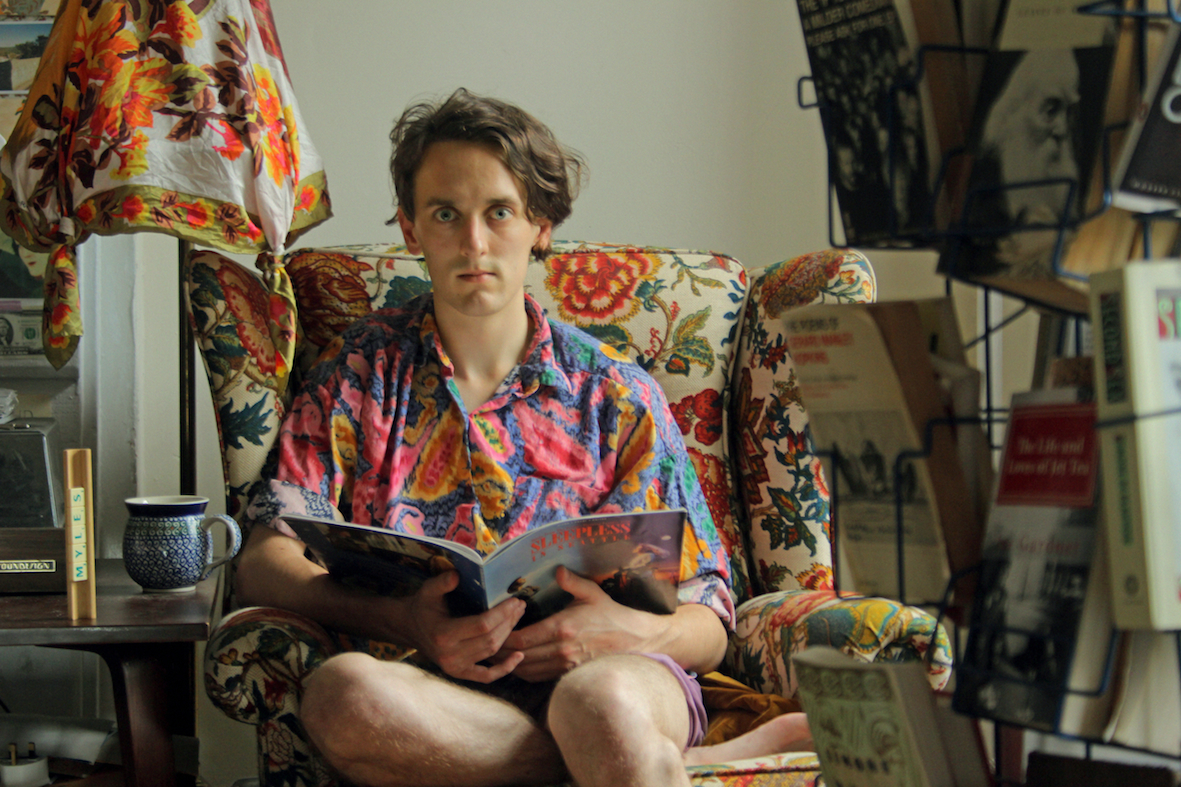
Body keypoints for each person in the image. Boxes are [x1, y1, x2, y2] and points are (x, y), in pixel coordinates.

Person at [236, 87, 810, 787]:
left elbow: (711, 617)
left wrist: (634, 633)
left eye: (499, 212)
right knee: (342, 694)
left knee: (597, 703)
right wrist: (404, 619)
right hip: (432, 697)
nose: (473, 243)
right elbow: (263, 561)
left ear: (541, 223)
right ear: (411, 229)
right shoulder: (358, 376)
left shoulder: (616, 393)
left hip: (618, 677)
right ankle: (659, 768)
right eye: (445, 214)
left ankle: (613, 747)